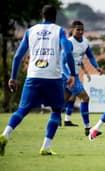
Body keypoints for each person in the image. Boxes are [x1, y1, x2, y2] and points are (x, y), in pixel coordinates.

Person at [0, 4, 76, 156]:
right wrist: (73, 74)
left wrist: (13, 78)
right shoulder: (59, 31)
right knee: (56, 110)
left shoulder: (31, 31)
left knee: (23, 109)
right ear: (55, 16)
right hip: (52, 77)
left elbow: (17, 56)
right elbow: (67, 52)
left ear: (42, 15)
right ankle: (45, 147)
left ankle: (4, 135)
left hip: (33, 75)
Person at [61, 20, 103, 137]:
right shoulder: (69, 43)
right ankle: (88, 128)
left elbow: (90, 55)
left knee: (62, 102)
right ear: (72, 30)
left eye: (82, 29)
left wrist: (96, 67)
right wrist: (69, 76)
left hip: (73, 76)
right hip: (66, 76)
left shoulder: (85, 42)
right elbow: (62, 62)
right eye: (77, 29)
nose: (80, 31)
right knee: (85, 98)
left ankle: (56, 119)